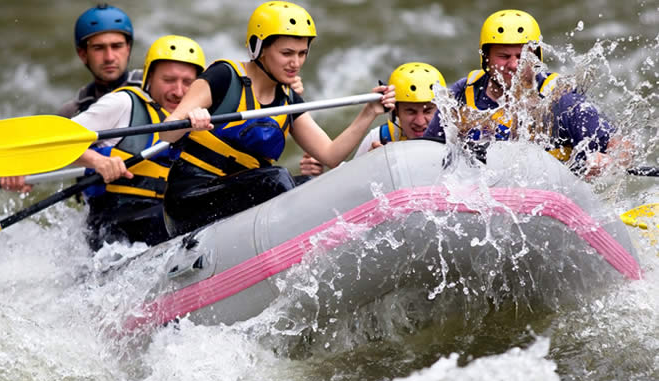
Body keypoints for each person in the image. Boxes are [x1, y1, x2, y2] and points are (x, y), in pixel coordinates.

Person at [158, 1, 395, 237]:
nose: (296, 63)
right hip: (190, 199)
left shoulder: (288, 100)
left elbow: (330, 155)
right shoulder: (224, 77)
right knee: (277, 180)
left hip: (241, 196)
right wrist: (190, 119)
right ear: (258, 48)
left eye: (302, 53)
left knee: (310, 184)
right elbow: (167, 132)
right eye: (286, 53)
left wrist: (369, 112)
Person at [423, 9, 613, 176]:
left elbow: (620, 146)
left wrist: (607, 159)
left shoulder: (562, 100)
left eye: (521, 57)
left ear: (536, 58)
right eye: (504, 56)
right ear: (486, 59)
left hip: (553, 203)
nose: (514, 65)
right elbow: (429, 152)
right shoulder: (462, 94)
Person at [69, 35, 206, 249]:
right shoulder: (123, 104)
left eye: (188, 83)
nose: (178, 91)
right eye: (169, 80)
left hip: (166, 219)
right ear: (149, 78)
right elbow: (59, 141)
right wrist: (97, 161)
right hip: (114, 227)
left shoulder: (201, 119)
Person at [1, 4, 139, 192]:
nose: (109, 57)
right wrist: (20, 173)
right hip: (101, 211)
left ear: (128, 48)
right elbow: (40, 156)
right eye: (99, 48)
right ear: (83, 54)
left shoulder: (155, 89)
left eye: (117, 46)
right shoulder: (73, 112)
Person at [352, 62, 446, 157]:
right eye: (411, 111)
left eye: (428, 111)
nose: (420, 122)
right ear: (396, 111)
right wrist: (371, 162)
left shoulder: (455, 137)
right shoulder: (378, 137)